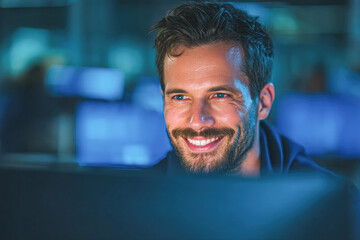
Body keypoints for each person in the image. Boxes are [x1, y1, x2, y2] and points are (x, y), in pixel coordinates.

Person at [150, 1, 333, 177]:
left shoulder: (335, 205)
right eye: (180, 97)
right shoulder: (133, 201)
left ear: (263, 102)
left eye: (220, 95)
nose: (197, 122)